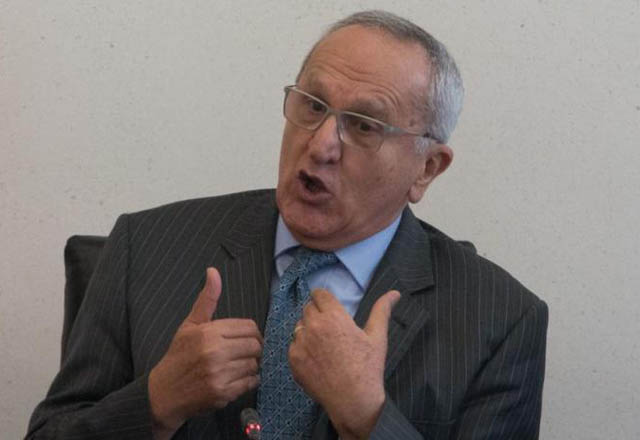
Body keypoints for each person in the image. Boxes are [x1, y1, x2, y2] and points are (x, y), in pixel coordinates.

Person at [27, 10, 548, 440]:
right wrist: (157, 401)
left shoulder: (500, 321)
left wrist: (368, 417)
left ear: (426, 168)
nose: (320, 145)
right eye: (313, 106)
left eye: (364, 126)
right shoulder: (145, 249)